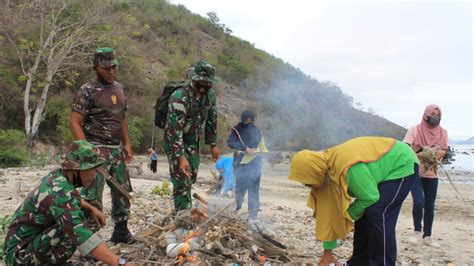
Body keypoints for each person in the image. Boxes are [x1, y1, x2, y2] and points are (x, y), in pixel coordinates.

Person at [288, 136, 419, 266]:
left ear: (314, 172)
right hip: (382, 172)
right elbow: (327, 215)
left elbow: (370, 197)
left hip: (401, 162)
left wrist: (348, 215)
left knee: (378, 212)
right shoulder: (326, 174)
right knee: (364, 213)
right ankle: (359, 262)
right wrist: (327, 254)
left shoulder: (347, 169)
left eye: (307, 182)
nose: (308, 186)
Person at [2, 140, 131, 266]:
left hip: (25, 245)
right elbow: (80, 233)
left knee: (84, 216)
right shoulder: (60, 192)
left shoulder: (59, 176)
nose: (94, 174)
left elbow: (72, 198)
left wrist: (91, 208)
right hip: (19, 256)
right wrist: (120, 263)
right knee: (74, 226)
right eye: (91, 169)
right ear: (75, 169)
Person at [70, 47, 134, 244]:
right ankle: (89, 239)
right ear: (96, 67)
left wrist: (127, 143)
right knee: (92, 194)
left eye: (114, 67)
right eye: (106, 68)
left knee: (122, 191)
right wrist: (87, 150)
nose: (111, 71)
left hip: (116, 150)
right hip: (95, 148)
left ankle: (121, 232)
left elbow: (121, 118)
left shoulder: (120, 89)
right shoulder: (87, 90)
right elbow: (74, 122)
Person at [163, 59, 220, 212]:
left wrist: (213, 145)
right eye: (200, 83)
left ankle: (184, 209)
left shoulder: (210, 96)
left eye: (207, 84)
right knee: (182, 179)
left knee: (191, 175)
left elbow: (211, 121)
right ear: (194, 79)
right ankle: (182, 217)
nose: (203, 87)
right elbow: (173, 130)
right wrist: (180, 157)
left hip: (193, 142)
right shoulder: (180, 96)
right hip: (175, 142)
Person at [403, 104, 448, 247]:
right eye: (432, 114)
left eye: (437, 114)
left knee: (429, 205)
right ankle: (417, 231)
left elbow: (444, 150)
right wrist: (421, 154)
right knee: (419, 202)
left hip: (432, 174)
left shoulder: (443, 132)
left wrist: (435, 154)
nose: (435, 117)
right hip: (415, 172)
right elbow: (405, 149)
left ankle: (427, 236)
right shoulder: (414, 130)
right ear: (425, 114)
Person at [227, 111, 269, 220]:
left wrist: (267, 154)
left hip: (256, 163)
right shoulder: (237, 130)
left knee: (254, 191)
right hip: (242, 164)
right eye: (246, 120)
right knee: (240, 189)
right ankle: (234, 211)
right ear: (242, 120)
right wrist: (245, 149)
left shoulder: (257, 131)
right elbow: (231, 142)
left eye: (250, 120)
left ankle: (252, 216)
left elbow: (262, 146)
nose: (248, 122)